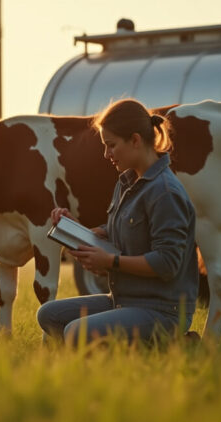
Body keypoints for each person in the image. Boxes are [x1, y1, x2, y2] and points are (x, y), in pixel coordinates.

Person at [38, 99, 198, 346]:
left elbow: (168, 263)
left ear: (135, 140)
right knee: (48, 315)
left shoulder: (166, 193)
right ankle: (123, 345)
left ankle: (174, 343)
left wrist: (110, 262)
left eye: (111, 145)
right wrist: (76, 232)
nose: (106, 154)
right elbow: (115, 232)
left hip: (163, 310)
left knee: (74, 332)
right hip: (124, 299)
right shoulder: (126, 183)